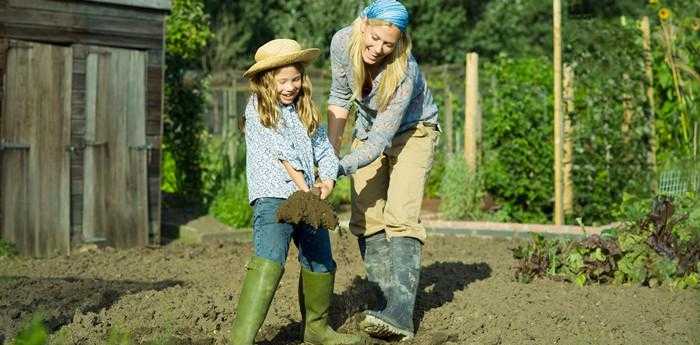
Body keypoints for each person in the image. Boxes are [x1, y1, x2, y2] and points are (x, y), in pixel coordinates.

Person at [230, 38, 365, 345]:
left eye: (295, 79)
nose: (290, 87)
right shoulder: (257, 110)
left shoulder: (304, 110)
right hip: (274, 197)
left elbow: (324, 150)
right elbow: (283, 154)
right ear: (267, 81)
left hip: (307, 197)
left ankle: (316, 330)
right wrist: (306, 190)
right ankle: (241, 339)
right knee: (270, 259)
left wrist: (328, 180)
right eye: (282, 81)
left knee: (320, 259)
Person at [326, 0, 440, 341]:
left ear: (399, 42)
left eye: (387, 44)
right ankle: (385, 302)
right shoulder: (341, 43)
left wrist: (339, 168)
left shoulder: (404, 71)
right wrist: (329, 156)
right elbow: (338, 97)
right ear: (363, 24)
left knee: (400, 214)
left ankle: (401, 314)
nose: (377, 50)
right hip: (368, 128)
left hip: (413, 131)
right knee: (365, 217)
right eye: (373, 39)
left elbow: (379, 141)